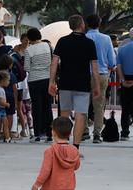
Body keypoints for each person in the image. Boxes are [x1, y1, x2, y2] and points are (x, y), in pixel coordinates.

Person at [49, 15, 99, 145]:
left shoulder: (62, 41)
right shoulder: (89, 43)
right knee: (80, 115)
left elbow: (54, 63)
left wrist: (51, 82)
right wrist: (97, 86)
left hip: (65, 82)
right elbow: (94, 67)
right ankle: (75, 147)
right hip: (82, 84)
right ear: (82, 25)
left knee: (64, 114)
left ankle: (62, 143)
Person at [85, 14, 116, 143]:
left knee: (83, 104)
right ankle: (97, 133)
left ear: (86, 24)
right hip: (102, 74)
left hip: (85, 75)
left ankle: (83, 131)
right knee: (99, 105)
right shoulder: (106, 38)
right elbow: (112, 61)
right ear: (99, 23)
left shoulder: (84, 37)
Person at [25, 29, 54, 142]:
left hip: (34, 80)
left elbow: (27, 67)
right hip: (47, 79)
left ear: (29, 38)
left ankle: (37, 133)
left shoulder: (29, 50)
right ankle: (50, 133)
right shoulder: (48, 46)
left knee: (36, 107)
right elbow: (52, 62)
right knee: (47, 107)